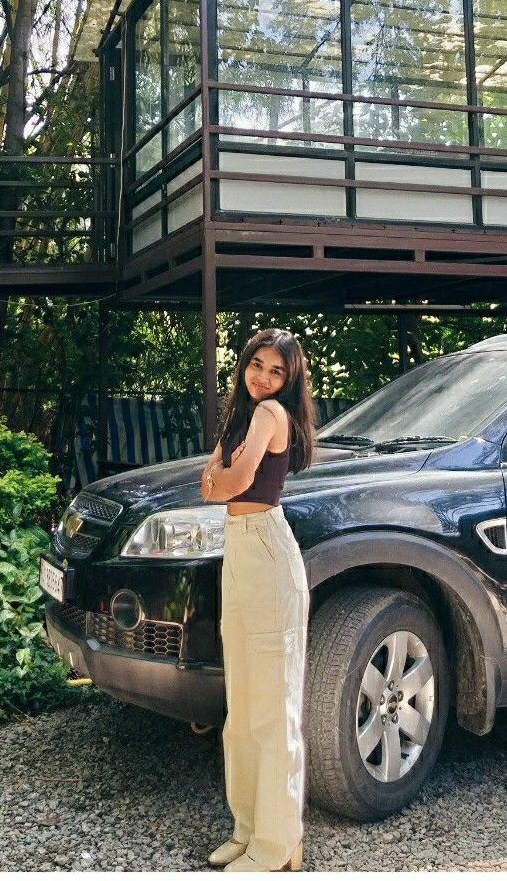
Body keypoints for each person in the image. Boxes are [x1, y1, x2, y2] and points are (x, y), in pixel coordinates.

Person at [201, 328, 315, 873]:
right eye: (257, 365)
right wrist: (219, 477)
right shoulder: (242, 418)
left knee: (273, 713)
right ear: (243, 364)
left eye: (277, 372)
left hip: (268, 553)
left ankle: (276, 846)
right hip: (241, 553)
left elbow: (228, 481)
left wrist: (221, 475)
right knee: (241, 713)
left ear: (289, 383)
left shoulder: (270, 416)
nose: (263, 378)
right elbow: (213, 484)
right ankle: (247, 832)